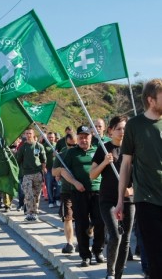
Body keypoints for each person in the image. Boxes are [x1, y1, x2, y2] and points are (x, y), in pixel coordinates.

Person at [114, 79, 162, 279]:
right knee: (156, 259)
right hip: (147, 199)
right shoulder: (134, 125)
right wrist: (119, 202)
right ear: (151, 100)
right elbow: (125, 165)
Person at [90, 116, 135, 279]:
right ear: (110, 131)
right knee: (115, 235)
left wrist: (131, 190)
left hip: (128, 200)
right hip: (108, 199)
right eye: (118, 129)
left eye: (125, 128)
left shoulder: (133, 148)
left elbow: (142, 175)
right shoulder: (104, 148)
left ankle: (118, 275)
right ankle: (110, 272)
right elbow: (92, 175)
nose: (122, 132)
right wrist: (104, 162)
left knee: (126, 240)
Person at [60, 125, 105, 267]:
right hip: (79, 192)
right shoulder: (71, 153)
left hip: (97, 191)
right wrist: (74, 182)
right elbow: (63, 171)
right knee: (81, 224)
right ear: (77, 138)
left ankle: (98, 251)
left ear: (91, 137)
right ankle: (85, 255)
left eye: (86, 137)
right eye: (80, 137)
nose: (83, 140)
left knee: (100, 222)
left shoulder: (98, 150)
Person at [52, 133, 77, 254]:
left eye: (75, 144)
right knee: (68, 218)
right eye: (69, 145)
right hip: (67, 191)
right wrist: (60, 171)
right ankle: (70, 243)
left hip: (83, 191)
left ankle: (87, 235)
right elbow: (54, 171)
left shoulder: (84, 153)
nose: (72, 147)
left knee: (87, 219)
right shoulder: (61, 155)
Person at [16, 127, 47, 222]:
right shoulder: (23, 147)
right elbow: (18, 160)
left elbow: (43, 160)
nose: (28, 135)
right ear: (25, 135)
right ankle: (29, 212)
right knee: (28, 194)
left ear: (33, 135)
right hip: (27, 174)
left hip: (37, 173)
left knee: (36, 195)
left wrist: (43, 171)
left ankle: (35, 213)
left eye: (30, 133)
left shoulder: (39, 146)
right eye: (27, 133)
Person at [44, 131, 59, 208]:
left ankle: (57, 198)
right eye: (49, 137)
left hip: (56, 169)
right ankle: (51, 200)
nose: (51, 139)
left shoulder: (57, 145)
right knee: (49, 185)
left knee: (58, 185)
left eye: (52, 137)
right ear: (47, 138)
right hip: (48, 169)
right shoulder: (44, 146)